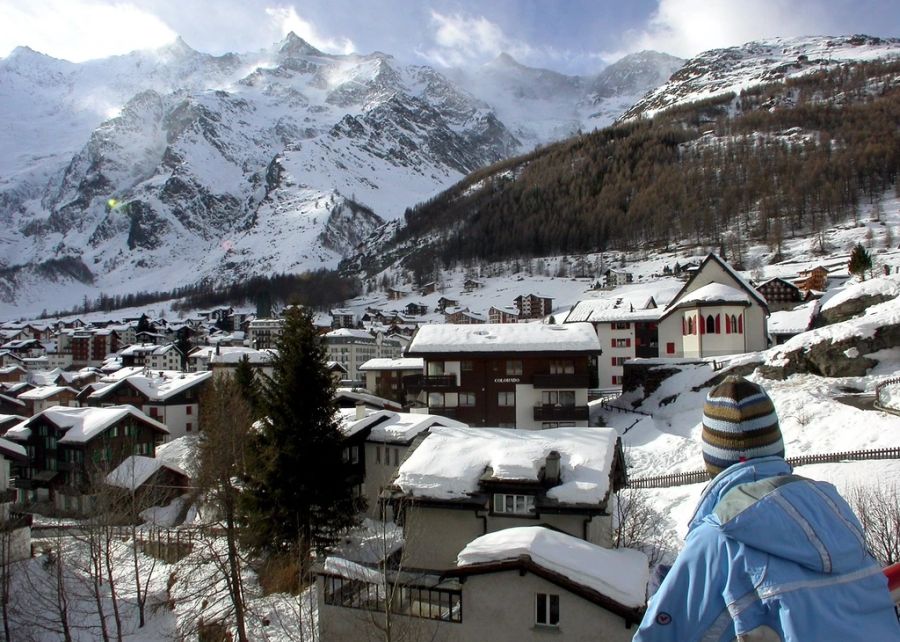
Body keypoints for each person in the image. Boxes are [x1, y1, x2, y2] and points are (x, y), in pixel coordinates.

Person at [633, 375, 899, 641]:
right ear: (776, 447)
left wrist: (664, 601)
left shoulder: (719, 537)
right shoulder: (834, 512)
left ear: (713, 459)